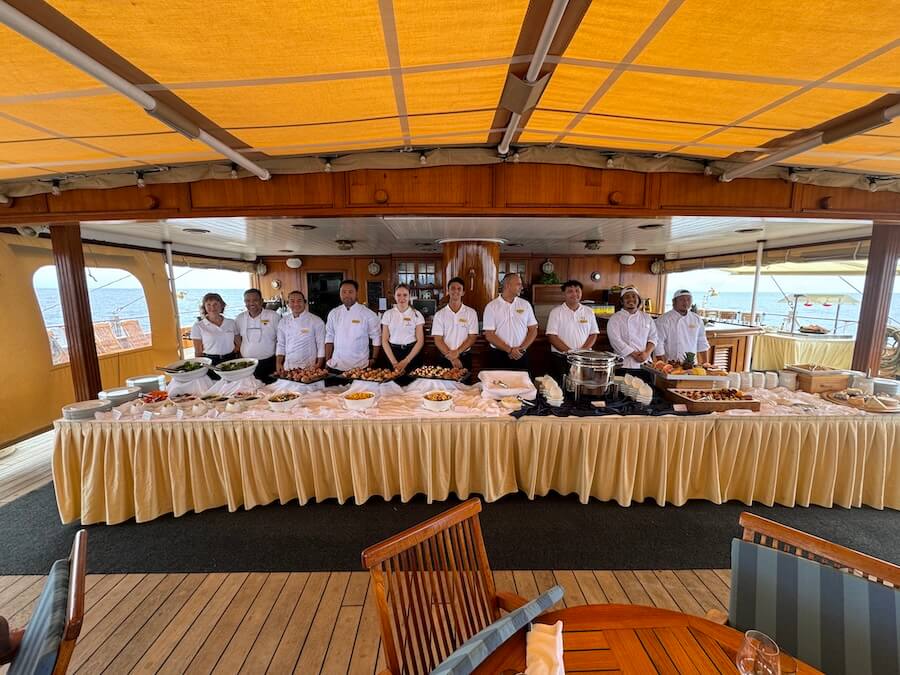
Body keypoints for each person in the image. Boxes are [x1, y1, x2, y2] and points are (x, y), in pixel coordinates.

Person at [545, 279, 599, 381]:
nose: (574, 294)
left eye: (577, 291)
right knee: (562, 387)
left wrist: (583, 351)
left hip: (584, 359)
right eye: (570, 291)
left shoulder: (589, 311)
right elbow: (552, 336)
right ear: (564, 294)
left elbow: (593, 334)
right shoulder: (556, 312)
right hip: (561, 358)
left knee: (582, 387)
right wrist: (570, 352)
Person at [483, 273, 538, 371]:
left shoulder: (525, 304)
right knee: (498, 385)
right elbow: (489, 335)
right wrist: (510, 350)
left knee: (522, 385)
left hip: (521, 354)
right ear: (508, 285)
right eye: (518, 284)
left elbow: (533, 329)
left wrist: (521, 349)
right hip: (498, 356)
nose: (521, 287)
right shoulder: (491, 306)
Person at [324, 279, 382, 372]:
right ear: (339, 293)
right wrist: (327, 360)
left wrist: (374, 360)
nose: (347, 295)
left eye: (350, 292)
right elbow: (329, 337)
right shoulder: (334, 313)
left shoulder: (368, 314)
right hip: (336, 365)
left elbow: (376, 337)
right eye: (343, 292)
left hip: (360, 366)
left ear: (356, 293)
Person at [431, 276, 479, 371]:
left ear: (463, 292)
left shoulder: (471, 313)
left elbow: (472, 337)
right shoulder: (439, 314)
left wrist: (457, 352)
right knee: (444, 386)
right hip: (444, 357)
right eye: (452, 288)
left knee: (465, 386)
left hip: (464, 357)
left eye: (459, 289)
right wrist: (453, 357)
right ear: (448, 291)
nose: (455, 291)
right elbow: (438, 340)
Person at [235, 288, 280, 383]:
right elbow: (237, 336)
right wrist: (242, 350)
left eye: (255, 300)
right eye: (248, 300)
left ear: (261, 301)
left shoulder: (273, 316)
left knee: (270, 390)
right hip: (247, 364)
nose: (251, 303)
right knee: (249, 391)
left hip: (269, 362)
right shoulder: (240, 318)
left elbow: (280, 339)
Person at [606, 286, 658, 369]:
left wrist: (647, 353)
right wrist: (634, 354)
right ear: (622, 301)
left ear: (639, 300)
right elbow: (615, 341)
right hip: (624, 364)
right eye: (627, 297)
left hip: (645, 364)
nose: (631, 299)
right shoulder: (615, 319)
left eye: (634, 296)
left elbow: (653, 337)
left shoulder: (647, 317)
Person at [654, 288, 710, 364]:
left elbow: (702, 341)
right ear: (674, 301)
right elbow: (658, 343)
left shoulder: (696, 319)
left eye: (688, 299)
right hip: (670, 363)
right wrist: (663, 365)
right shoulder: (663, 320)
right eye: (682, 300)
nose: (686, 302)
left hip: (692, 365)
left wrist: (705, 363)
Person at [275, 290, 325, 373]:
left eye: (299, 301)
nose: (296, 304)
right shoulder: (283, 321)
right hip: (288, 367)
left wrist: (319, 364)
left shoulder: (316, 321)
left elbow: (321, 344)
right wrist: (278, 363)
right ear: (288, 304)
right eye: (292, 301)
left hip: (309, 367)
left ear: (305, 303)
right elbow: (281, 344)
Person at [380, 283, 425, 373]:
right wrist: (394, 363)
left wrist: (406, 361)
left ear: (409, 296)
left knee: (413, 385)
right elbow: (384, 340)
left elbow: (420, 341)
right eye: (398, 295)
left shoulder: (417, 314)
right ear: (394, 296)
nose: (402, 298)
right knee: (392, 385)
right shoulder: (388, 314)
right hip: (392, 354)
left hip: (412, 354)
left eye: (405, 295)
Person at [190, 292, 239, 372]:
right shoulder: (198, 326)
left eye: (215, 304)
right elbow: (198, 352)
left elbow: (238, 344)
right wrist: (198, 369)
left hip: (231, 360)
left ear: (222, 305)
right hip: (211, 362)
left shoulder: (231, 323)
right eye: (208, 304)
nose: (212, 307)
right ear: (204, 307)